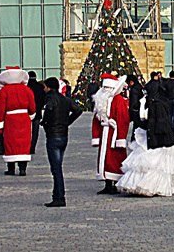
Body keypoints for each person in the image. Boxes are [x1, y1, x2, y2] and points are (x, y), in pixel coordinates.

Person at [116, 69, 174, 197]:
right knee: (160, 164)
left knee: (149, 160)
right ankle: (156, 185)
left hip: (152, 133)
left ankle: (146, 184)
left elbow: (146, 119)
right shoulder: (161, 102)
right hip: (160, 135)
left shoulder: (149, 102)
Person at [41, 77, 83, 207]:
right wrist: (67, 122)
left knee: (56, 169)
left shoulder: (50, 98)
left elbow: (49, 109)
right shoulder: (65, 99)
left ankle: (59, 197)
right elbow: (78, 110)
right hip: (63, 135)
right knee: (58, 167)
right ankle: (57, 195)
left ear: (48, 87)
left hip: (53, 135)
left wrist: (45, 122)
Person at [91, 73, 130, 194]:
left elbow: (123, 119)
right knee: (105, 158)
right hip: (104, 133)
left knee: (115, 158)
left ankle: (115, 182)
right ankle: (107, 183)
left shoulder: (119, 100)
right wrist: (96, 136)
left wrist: (121, 138)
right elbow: (96, 119)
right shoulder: (101, 101)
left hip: (114, 134)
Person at [0, 68, 36, 176]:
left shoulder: (4, 91)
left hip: (10, 121)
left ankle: (11, 168)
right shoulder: (27, 90)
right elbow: (32, 107)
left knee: (10, 143)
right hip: (24, 120)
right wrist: (30, 116)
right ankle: (23, 169)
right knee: (24, 143)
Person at [27, 71, 45, 155]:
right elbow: (44, 99)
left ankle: (26, 147)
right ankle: (32, 147)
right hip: (37, 111)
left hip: (27, 112)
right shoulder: (40, 87)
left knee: (26, 131)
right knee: (35, 131)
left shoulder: (26, 87)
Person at [126, 74, 145, 139]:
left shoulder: (134, 89)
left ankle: (135, 141)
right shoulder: (139, 86)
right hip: (141, 110)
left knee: (136, 128)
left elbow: (134, 102)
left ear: (131, 82)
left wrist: (131, 113)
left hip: (137, 112)